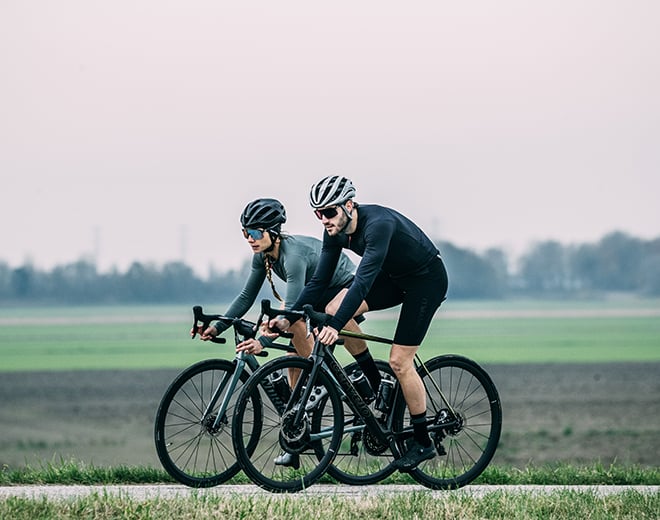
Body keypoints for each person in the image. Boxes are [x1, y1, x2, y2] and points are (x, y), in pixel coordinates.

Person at [269, 175, 449, 471]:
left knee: (400, 362)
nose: (323, 219)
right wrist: (287, 318)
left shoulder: (377, 225)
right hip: (393, 279)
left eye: (328, 212)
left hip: (425, 281)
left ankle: (422, 442)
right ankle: (375, 385)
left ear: (349, 205)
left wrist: (334, 325)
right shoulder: (335, 231)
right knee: (332, 305)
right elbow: (318, 281)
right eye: (317, 213)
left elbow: (363, 282)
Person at [193, 198, 383, 467]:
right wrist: (217, 326)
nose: (250, 239)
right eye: (245, 233)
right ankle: (297, 431)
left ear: (273, 232)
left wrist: (260, 341)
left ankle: (348, 379)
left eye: (256, 233)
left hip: (343, 286)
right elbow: (246, 295)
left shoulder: (292, 257)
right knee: (293, 357)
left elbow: (291, 308)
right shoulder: (262, 257)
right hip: (313, 293)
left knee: (299, 321)